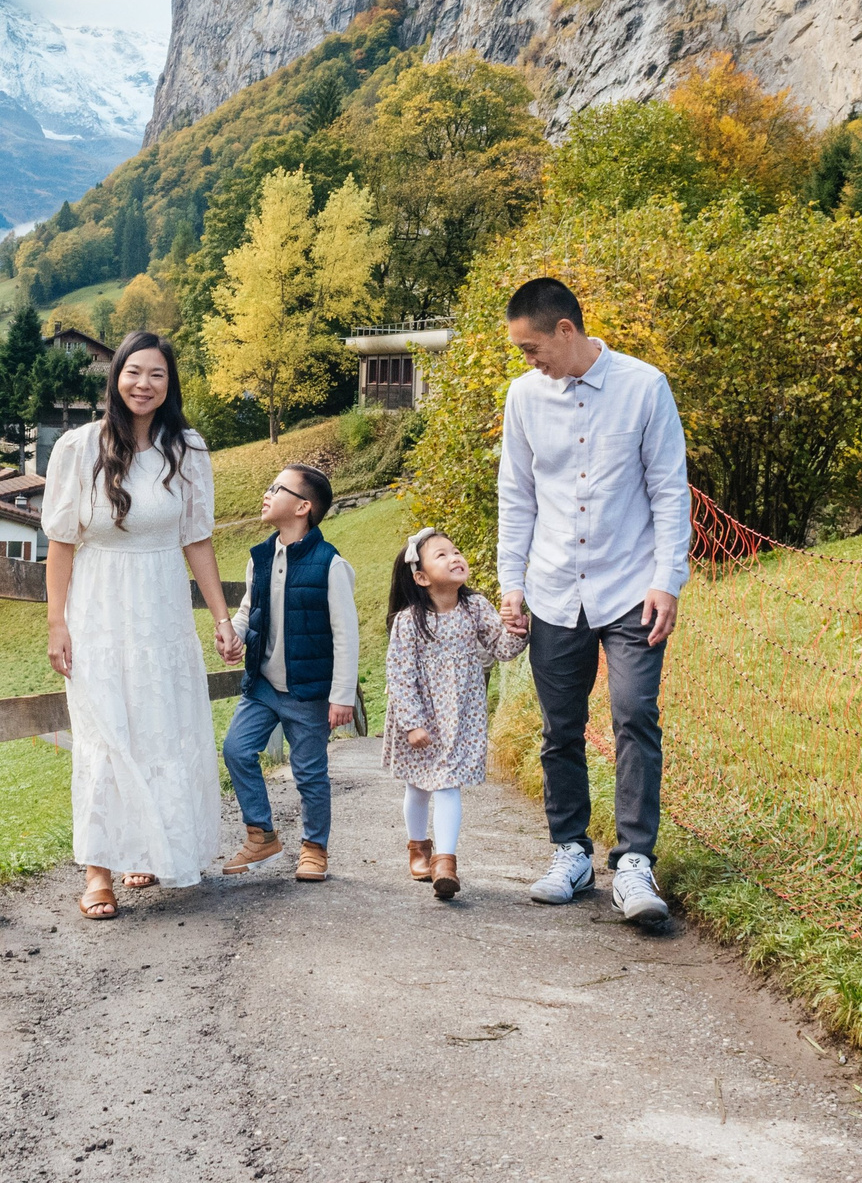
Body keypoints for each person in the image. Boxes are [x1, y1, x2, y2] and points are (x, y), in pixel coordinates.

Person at [495, 276, 691, 925]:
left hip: (632, 586)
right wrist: (512, 582)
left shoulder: (644, 386)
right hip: (554, 588)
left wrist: (668, 579)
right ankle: (571, 851)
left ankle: (634, 860)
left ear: (565, 330)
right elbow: (516, 495)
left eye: (531, 348)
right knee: (560, 728)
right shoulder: (524, 397)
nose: (528, 361)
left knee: (634, 714)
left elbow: (669, 490)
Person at [44, 333, 237, 920]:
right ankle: (97, 873)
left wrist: (222, 618)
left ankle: (148, 849)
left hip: (162, 612)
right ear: (116, 377)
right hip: (98, 610)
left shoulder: (188, 449)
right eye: (133, 372)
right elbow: (61, 543)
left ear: (169, 384)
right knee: (104, 734)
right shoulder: (79, 447)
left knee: (160, 730)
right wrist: (57, 623)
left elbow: (197, 539)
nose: (143, 384)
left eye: (156, 374)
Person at [220, 463, 359, 881]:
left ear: (302, 507)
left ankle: (314, 848)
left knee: (309, 772)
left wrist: (342, 695)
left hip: (309, 691)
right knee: (236, 749)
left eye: (276, 488)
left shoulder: (330, 564)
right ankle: (261, 834)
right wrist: (234, 634)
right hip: (262, 685)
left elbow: (346, 635)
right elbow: (248, 610)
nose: (266, 493)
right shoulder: (260, 558)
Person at [380, 526, 525, 900]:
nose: (454, 557)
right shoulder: (409, 620)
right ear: (421, 578)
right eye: (441, 555)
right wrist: (412, 723)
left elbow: (502, 649)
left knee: (447, 784)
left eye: (456, 550)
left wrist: (518, 629)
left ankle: (445, 863)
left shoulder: (475, 608)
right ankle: (418, 847)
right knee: (418, 786)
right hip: (421, 718)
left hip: (461, 716)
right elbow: (400, 675)